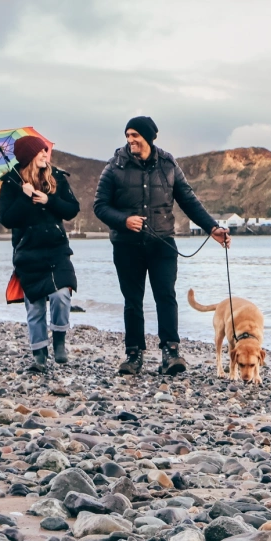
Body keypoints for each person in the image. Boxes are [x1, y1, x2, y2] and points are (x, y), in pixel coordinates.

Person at [94, 116, 230, 376]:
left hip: (163, 243)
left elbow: (188, 200)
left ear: (149, 137)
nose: (130, 139)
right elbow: (100, 206)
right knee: (132, 301)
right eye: (128, 135)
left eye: (135, 135)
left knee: (166, 297)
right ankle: (133, 355)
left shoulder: (168, 165)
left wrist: (212, 228)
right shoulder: (114, 166)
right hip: (126, 245)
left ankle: (171, 353)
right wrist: (124, 220)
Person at [0, 135, 80, 372]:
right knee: (34, 307)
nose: (45, 154)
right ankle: (39, 356)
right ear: (29, 157)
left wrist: (48, 200)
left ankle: (60, 342)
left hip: (57, 250)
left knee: (62, 295)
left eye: (45, 150)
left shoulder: (57, 178)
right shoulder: (11, 184)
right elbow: (7, 219)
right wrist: (24, 197)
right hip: (28, 253)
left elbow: (72, 209)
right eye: (40, 152)